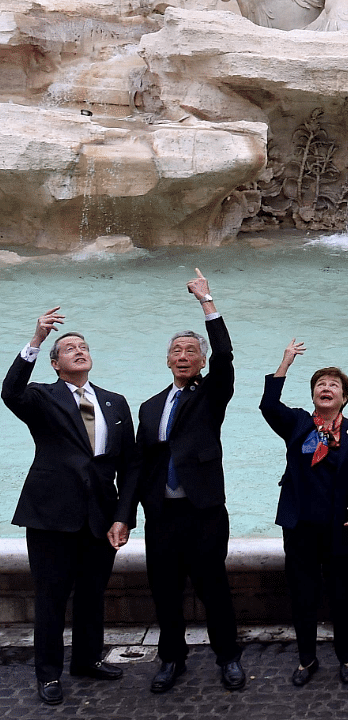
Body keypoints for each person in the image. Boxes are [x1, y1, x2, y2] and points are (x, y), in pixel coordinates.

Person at [2, 308, 136, 705]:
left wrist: (123, 515)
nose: (79, 351)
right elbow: (9, 393)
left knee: (93, 594)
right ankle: (48, 674)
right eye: (69, 348)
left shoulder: (115, 402)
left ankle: (87, 661)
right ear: (56, 363)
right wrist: (37, 338)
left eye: (83, 346)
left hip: (100, 516)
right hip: (50, 516)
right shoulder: (42, 397)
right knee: (51, 597)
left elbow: (129, 466)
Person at [132, 270, 245, 693]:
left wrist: (207, 303)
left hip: (204, 511)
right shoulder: (149, 407)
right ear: (167, 360)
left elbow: (226, 356)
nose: (183, 355)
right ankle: (171, 660)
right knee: (165, 592)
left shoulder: (211, 394)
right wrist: (128, 514)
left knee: (213, 587)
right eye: (177, 350)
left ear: (200, 360)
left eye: (191, 350)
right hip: (161, 513)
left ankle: (228, 657)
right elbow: (140, 463)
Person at [260, 340, 348, 688]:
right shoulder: (297, 423)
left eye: (334, 385)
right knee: (303, 597)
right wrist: (285, 363)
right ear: (313, 396)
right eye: (321, 385)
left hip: (342, 529)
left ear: (344, 398)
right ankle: (306, 659)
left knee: (344, 597)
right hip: (301, 529)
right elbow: (267, 405)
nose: (327, 389)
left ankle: (347, 657)